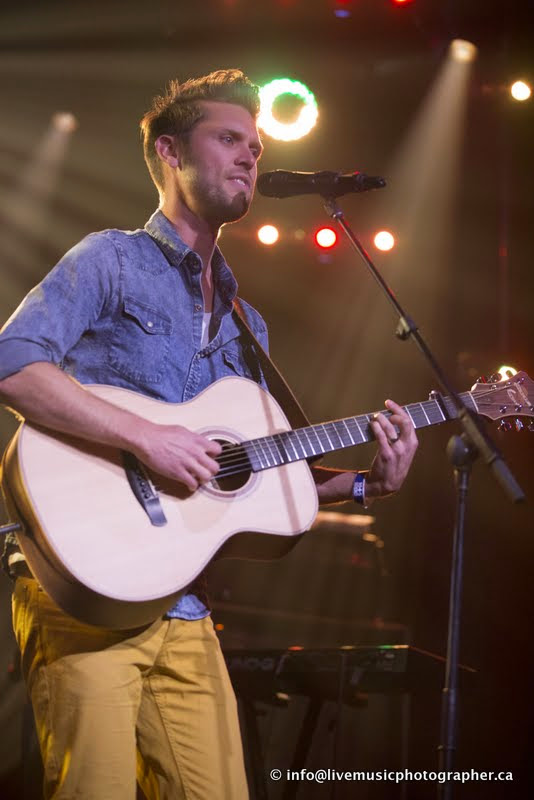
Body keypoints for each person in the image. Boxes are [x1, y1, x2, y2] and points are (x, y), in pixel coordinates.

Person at [0, 69, 418, 799]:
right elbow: (12, 363)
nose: (250, 156)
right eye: (229, 139)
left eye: (255, 147)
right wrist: (144, 436)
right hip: (82, 591)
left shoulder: (248, 325)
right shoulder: (111, 259)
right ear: (169, 152)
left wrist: (364, 485)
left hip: (185, 606)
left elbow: (257, 474)